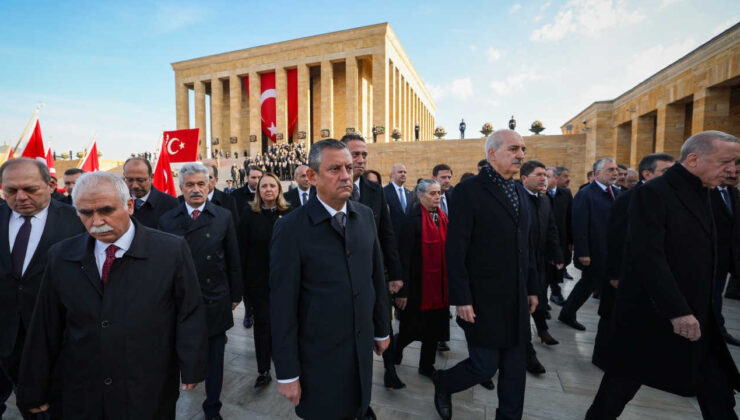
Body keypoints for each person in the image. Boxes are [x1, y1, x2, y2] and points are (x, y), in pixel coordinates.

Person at [16, 171, 208, 419]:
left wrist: (191, 365)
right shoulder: (61, 255)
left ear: (129, 205)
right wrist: (34, 386)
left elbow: (189, 310)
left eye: (106, 210)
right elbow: (45, 325)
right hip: (83, 386)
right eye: (86, 213)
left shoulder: (170, 250)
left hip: (147, 384)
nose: (97, 221)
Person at [586, 131, 740, 419]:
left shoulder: (709, 193)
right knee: (617, 391)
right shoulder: (652, 194)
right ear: (694, 159)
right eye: (726, 162)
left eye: (736, 163)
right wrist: (677, 310)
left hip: (700, 319)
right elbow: (648, 256)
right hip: (653, 317)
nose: (732, 170)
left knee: (718, 394)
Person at [270, 139, 390, 420]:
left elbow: (375, 276)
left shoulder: (365, 216)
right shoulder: (290, 228)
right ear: (312, 176)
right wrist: (287, 372)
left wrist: (382, 328)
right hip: (318, 358)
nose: (346, 175)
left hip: (360, 350)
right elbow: (282, 305)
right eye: (335, 169)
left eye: (348, 167)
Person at [433, 130, 539, 420]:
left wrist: (532, 288)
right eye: (514, 149)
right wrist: (462, 298)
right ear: (492, 154)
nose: (521, 155)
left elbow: (525, 245)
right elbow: (456, 249)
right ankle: (443, 383)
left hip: (516, 298)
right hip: (482, 300)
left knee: (515, 370)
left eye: (523, 149)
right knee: (483, 366)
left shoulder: (519, 192)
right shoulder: (468, 192)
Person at [0, 158, 85, 419]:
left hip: (52, 340)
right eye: (11, 191)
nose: (21, 197)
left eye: (30, 189)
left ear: (50, 185)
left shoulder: (77, 221)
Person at [158, 163, 242, 420]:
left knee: (215, 358)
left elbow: (233, 257)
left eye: (200, 184)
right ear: (180, 188)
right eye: (190, 185)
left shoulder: (223, 216)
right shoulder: (167, 220)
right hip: (179, 300)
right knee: (176, 355)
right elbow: (162, 264)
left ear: (210, 185)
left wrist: (236, 295)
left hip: (214, 297)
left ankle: (213, 408)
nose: (196, 190)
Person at [593, 153, 675, 371]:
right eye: (666, 172)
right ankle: (603, 358)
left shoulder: (661, 196)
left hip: (646, 272)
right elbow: (616, 238)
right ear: (647, 174)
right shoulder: (630, 198)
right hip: (624, 271)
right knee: (613, 316)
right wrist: (614, 274)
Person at [341, 134, 404, 392]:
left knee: (383, 323)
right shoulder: (329, 188)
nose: (361, 159)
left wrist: (395, 274)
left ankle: (390, 370)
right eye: (355, 154)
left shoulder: (375, 191)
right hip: (343, 276)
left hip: (373, 273)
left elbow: (386, 234)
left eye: (364, 154)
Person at [238, 172, 291, 389]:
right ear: (258, 191)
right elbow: (242, 249)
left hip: (286, 282)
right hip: (258, 282)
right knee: (262, 326)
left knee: (285, 325)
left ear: (279, 189)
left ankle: (286, 364)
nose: (268, 189)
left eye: (272, 185)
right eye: (263, 186)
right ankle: (263, 370)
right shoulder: (249, 214)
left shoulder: (289, 213)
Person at [393, 179, 449, 380]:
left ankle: (427, 365)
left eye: (439, 193)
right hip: (417, 287)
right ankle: (395, 349)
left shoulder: (442, 217)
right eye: (433, 193)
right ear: (420, 196)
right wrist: (402, 292)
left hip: (439, 287)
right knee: (410, 329)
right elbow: (403, 257)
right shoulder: (412, 220)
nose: (438, 197)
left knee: (434, 330)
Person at [558, 158, 618, 331]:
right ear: (597, 174)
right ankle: (567, 313)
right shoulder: (586, 194)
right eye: (610, 170)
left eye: (615, 169)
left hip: (611, 251)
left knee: (603, 285)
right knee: (587, 285)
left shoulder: (616, 192)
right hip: (594, 251)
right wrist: (583, 252)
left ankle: (606, 316)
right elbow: (579, 225)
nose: (614, 173)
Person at [519, 160, 563, 374]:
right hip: (521, 263)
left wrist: (556, 254)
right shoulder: (517, 199)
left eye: (545, 174)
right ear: (524, 178)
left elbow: (551, 227)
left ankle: (543, 330)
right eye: (538, 174)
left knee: (539, 298)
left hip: (539, 261)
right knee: (525, 304)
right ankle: (528, 354)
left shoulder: (544, 200)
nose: (543, 178)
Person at [711, 159, 740, 346]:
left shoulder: (733, 193)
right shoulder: (706, 192)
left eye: (737, 174)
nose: (733, 176)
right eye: (730, 172)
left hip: (727, 258)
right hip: (708, 257)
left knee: (716, 296)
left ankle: (718, 331)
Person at [123, 157, 179, 229]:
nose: (135, 186)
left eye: (140, 180)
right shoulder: (117, 202)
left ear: (151, 178)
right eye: (130, 180)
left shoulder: (170, 204)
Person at [545, 166, 574, 304]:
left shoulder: (566, 194)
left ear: (556, 178)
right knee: (545, 270)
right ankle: (543, 299)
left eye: (547, 176)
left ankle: (556, 292)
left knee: (558, 267)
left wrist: (571, 240)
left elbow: (570, 217)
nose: (544, 179)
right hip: (545, 239)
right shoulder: (540, 194)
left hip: (561, 238)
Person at [383, 163, 412, 240]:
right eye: (400, 172)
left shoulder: (409, 193)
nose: (403, 174)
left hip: (408, 238)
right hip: (392, 237)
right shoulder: (384, 192)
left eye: (405, 172)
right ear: (392, 175)